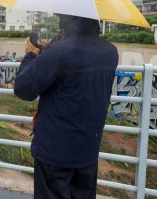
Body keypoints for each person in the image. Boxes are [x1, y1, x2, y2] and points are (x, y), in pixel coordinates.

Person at [14, 14, 119, 199]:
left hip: (54, 154)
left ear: (68, 21)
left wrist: (31, 54)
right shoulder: (110, 52)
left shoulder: (59, 53)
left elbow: (24, 88)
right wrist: (51, 51)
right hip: (88, 151)